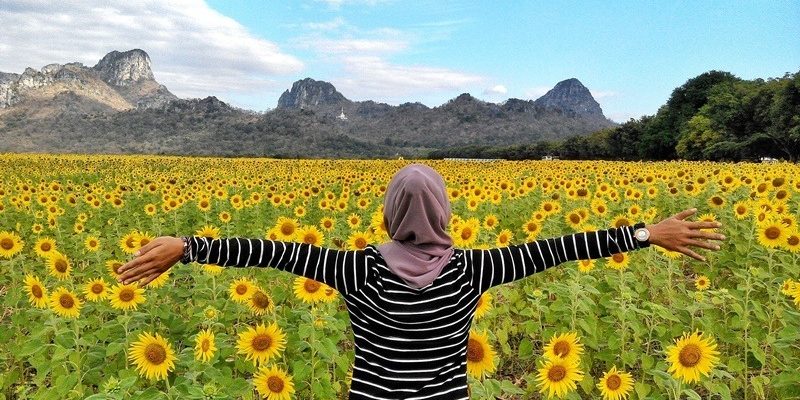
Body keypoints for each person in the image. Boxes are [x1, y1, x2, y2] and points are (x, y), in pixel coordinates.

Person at [116, 163, 726, 399]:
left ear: (388, 216)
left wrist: (187, 246)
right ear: (444, 215)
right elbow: (560, 249)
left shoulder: (353, 269)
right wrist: (644, 234)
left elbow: (268, 253)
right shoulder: (475, 269)